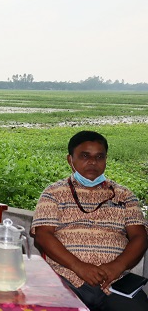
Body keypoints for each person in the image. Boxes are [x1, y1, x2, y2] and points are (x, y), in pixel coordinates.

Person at [31, 131, 148, 311]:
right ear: (70, 160)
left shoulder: (124, 195)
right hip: (65, 278)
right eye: (85, 156)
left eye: (99, 157)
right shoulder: (53, 193)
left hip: (115, 282)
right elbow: (43, 236)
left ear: (106, 159)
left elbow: (140, 236)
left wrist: (117, 267)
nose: (93, 162)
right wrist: (79, 267)